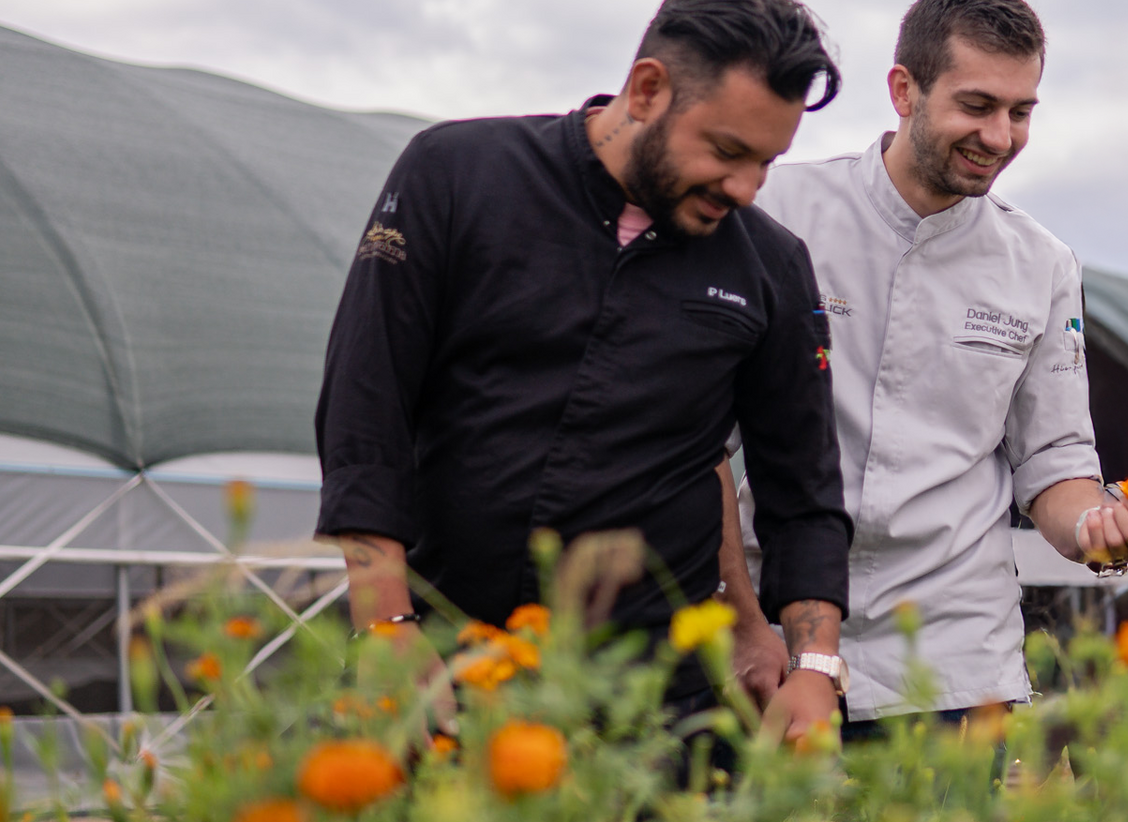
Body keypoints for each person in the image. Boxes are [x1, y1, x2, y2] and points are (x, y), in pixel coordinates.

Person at [314, 0, 852, 741]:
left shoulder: (772, 264)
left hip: (653, 705)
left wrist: (814, 664)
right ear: (647, 90)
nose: (746, 188)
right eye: (727, 151)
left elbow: (804, 491)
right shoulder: (455, 175)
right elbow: (366, 409)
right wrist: (386, 628)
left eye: (766, 162)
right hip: (441, 666)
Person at [719, 0, 1128, 733]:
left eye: (1021, 111)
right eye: (978, 105)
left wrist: (1094, 524)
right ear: (904, 91)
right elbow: (699, 437)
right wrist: (739, 621)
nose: (1001, 137)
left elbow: (1053, 462)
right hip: (772, 644)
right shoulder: (779, 213)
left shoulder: (1043, 265)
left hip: (956, 667)